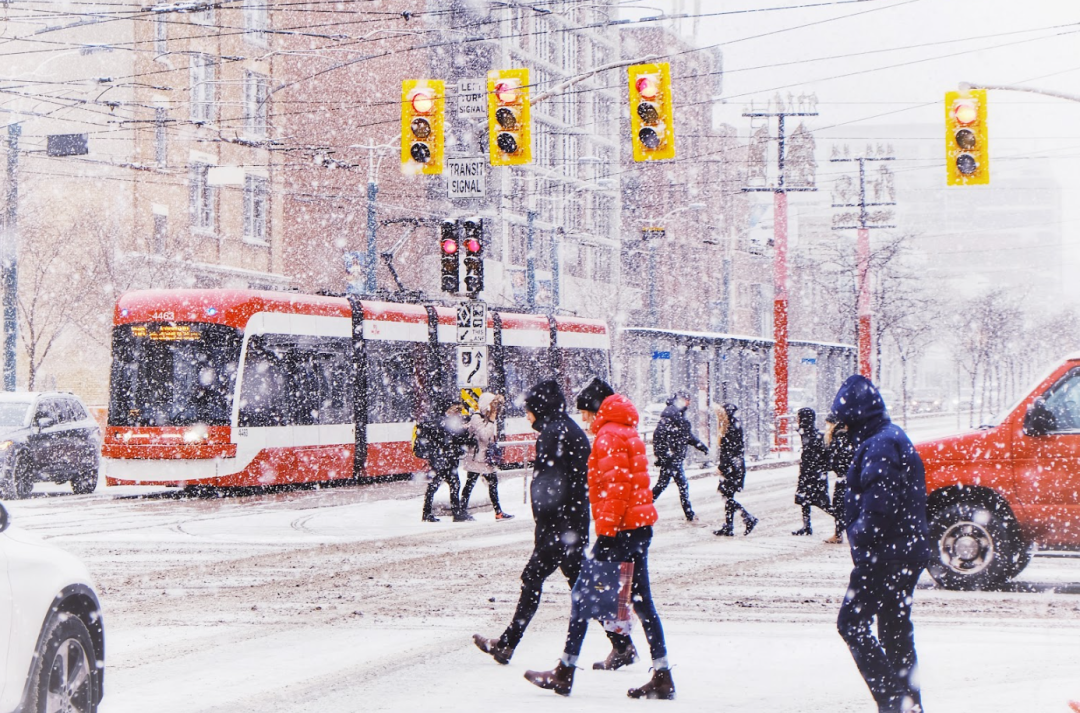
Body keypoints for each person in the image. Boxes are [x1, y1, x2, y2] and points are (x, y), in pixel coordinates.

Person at [524, 378, 675, 700]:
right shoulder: (627, 430)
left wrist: (606, 535)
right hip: (637, 529)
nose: (585, 421)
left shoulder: (609, 436)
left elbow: (616, 490)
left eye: (585, 414)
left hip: (619, 532)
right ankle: (662, 675)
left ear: (595, 410)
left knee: (582, 597)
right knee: (641, 603)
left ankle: (565, 671)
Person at [473, 380, 605, 664]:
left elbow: (547, 488)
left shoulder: (553, 433)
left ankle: (507, 645)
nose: (527, 415)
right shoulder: (567, 429)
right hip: (572, 524)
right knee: (580, 585)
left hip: (559, 528)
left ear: (540, 408)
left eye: (529, 410)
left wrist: (544, 528)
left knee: (532, 579)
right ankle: (623, 643)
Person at [829, 374, 930, 713]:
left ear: (856, 417)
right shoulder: (888, 438)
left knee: (851, 623)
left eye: (842, 422)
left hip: (885, 555)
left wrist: (858, 535)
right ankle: (910, 704)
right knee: (895, 627)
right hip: (904, 551)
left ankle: (894, 703)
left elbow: (878, 507)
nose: (839, 429)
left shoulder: (880, 445)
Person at [651, 392, 709, 521]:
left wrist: (701, 446)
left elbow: (686, 436)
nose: (689, 403)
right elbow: (660, 436)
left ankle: (643, 508)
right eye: (687, 400)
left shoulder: (676, 413)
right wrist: (664, 454)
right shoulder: (673, 414)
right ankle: (689, 514)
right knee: (678, 485)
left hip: (673, 458)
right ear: (682, 400)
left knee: (663, 486)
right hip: (672, 458)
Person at [460, 392, 513, 520]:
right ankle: (461, 511)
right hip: (476, 459)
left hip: (485, 459)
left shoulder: (487, 418)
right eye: (491, 405)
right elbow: (485, 436)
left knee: (491, 483)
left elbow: (490, 438)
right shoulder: (476, 418)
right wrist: (491, 421)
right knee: (470, 484)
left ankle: (498, 512)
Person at [418, 401, 473, 523]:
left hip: (444, 460)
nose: (458, 414)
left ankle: (432, 513)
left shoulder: (441, 422)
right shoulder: (445, 423)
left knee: (452, 485)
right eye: (456, 411)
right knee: (443, 485)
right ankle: (431, 513)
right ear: (450, 411)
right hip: (444, 461)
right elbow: (455, 438)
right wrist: (464, 431)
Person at [713, 403, 757, 537]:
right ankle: (729, 525)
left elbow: (729, 452)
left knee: (727, 496)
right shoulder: (732, 426)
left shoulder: (730, 428)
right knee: (728, 496)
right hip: (734, 467)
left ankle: (748, 517)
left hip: (731, 468)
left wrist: (722, 467)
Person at [793, 407, 831, 536]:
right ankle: (806, 525)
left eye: (799, 417)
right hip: (810, 472)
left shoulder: (810, 435)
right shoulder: (812, 434)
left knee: (821, 502)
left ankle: (842, 520)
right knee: (805, 500)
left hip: (812, 473)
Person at [823, 415, 854, 544]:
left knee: (840, 507)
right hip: (848, 477)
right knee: (844, 507)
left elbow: (835, 459)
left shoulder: (839, 437)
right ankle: (841, 533)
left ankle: (839, 534)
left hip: (844, 478)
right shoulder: (846, 436)